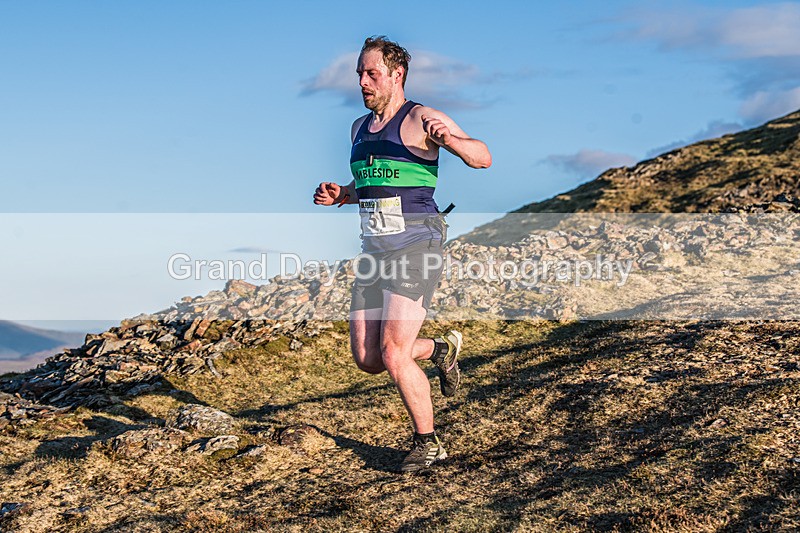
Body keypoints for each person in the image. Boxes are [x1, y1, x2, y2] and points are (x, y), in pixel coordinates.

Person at [313, 36, 491, 472]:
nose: (362, 81)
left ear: (397, 75)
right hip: (374, 251)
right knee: (369, 359)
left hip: (417, 245)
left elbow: (482, 157)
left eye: (371, 73)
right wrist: (344, 194)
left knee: (394, 352)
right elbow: (375, 187)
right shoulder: (357, 128)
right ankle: (441, 348)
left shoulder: (422, 118)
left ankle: (429, 443)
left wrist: (450, 141)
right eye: (359, 73)